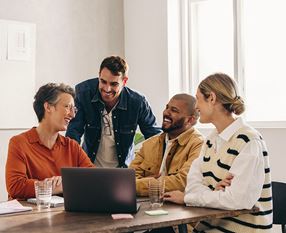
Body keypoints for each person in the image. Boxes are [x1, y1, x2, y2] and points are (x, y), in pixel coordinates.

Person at [164, 73, 272, 232]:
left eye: (198, 99)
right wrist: (215, 191)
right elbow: (192, 186)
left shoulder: (249, 141)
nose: (196, 106)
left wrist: (190, 198)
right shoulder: (210, 140)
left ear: (212, 98)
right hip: (209, 228)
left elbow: (237, 200)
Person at [66, 55, 161, 168]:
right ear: (99, 76)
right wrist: (71, 169)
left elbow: (154, 138)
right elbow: (73, 134)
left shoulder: (138, 102)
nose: (107, 89)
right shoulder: (83, 93)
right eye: (103, 81)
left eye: (114, 84)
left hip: (123, 171)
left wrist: (150, 168)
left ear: (124, 81)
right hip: (90, 168)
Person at [5, 83, 94, 200]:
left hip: (65, 215)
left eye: (74, 109)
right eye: (67, 107)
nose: (72, 115)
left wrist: (64, 183)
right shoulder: (19, 143)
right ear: (48, 107)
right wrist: (53, 187)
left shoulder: (72, 146)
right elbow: (16, 187)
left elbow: (93, 179)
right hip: (30, 216)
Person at [129, 94, 203, 196]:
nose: (166, 113)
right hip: (148, 204)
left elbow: (182, 182)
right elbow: (128, 179)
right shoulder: (149, 144)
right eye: (167, 107)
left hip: (182, 209)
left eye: (174, 110)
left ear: (190, 120)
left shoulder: (199, 144)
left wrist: (148, 183)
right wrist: (153, 184)